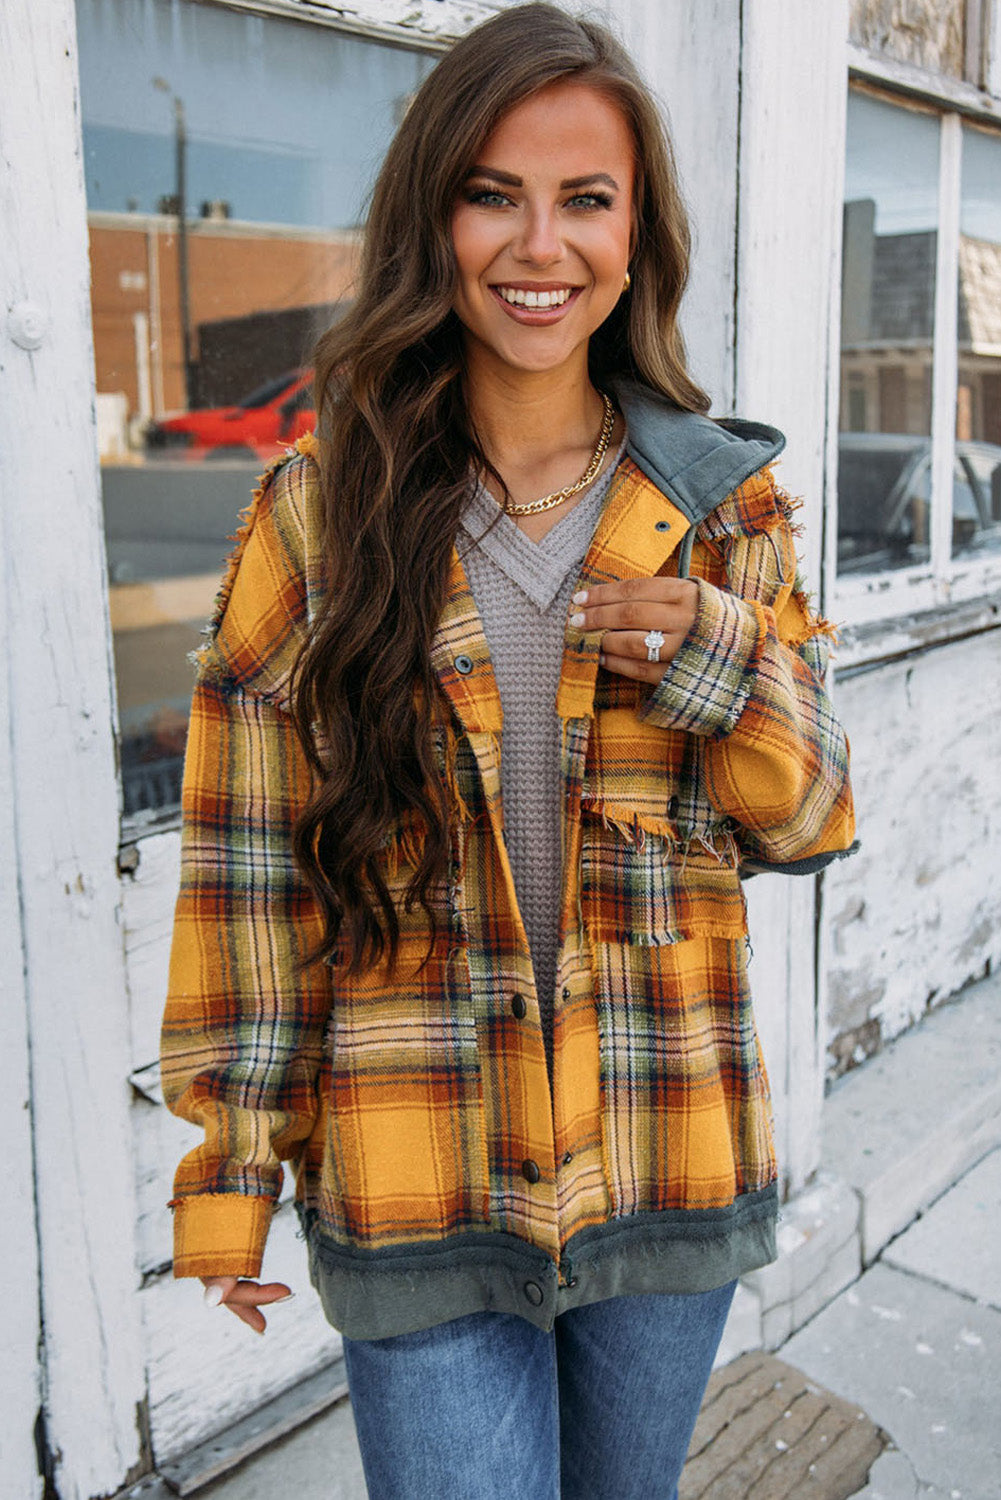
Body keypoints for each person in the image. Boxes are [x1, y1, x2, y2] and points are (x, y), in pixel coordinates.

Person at [160, 5, 856, 1496]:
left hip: (665, 1146)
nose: (538, 245)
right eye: (492, 194)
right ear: (435, 218)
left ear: (634, 233)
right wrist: (229, 1176)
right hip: (417, 1163)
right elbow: (243, 867)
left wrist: (717, 659)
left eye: (583, 200)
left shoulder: (717, 503)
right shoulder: (318, 509)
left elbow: (809, 820)